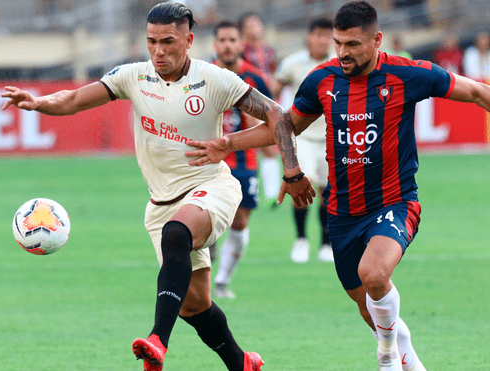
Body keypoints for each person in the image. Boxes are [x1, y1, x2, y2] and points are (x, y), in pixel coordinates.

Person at [1, 3, 315, 370]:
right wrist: (39, 103)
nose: (159, 51)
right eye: (152, 42)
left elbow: (278, 115)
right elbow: (71, 100)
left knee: (176, 232)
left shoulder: (214, 78)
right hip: (160, 201)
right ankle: (241, 362)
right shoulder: (132, 76)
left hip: (211, 186)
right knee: (193, 305)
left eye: (168, 41)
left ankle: (156, 343)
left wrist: (290, 170)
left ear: (189, 40)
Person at [186, 1, 490, 370]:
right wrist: (228, 144)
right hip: (343, 213)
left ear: (376, 40)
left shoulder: (409, 74)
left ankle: (387, 358)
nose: (343, 52)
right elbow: (286, 125)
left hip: (394, 202)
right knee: (368, 308)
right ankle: (410, 363)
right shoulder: (323, 79)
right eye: (338, 43)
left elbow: (475, 92)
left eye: (353, 45)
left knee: (375, 275)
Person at [210, 20, 275, 299]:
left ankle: (222, 281)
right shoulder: (202, 74)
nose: (227, 45)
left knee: (240, 223)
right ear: (215, 44)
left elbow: (275, 118)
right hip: (208, 158)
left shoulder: (257, 79)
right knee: (204, 215)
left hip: (244, 161)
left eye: (232, 40)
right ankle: (206, 249)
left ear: (241, 44)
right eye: (222, 40)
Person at [273, 17, 334, 264]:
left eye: (326, 35)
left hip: (331, 136)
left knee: (328, 192)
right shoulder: (293, 63)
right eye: (317, 34)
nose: (322, 40)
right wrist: (275, 125)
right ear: (309, 37)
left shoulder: (339, 63)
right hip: (302, 137)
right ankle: (301, 240)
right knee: (301, 187)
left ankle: (326, 243)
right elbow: (272, 92)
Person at [238, 12, 282, 209]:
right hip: (247, 102)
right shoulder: (240, 51)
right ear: (243, 30)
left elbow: (273, 74)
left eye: (256, 24)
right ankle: (263, 191)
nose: (254, 28)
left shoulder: (269, 51)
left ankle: (272, 193)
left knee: (269, 149)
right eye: (250, 25)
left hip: (267, 100)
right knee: (259, 146)